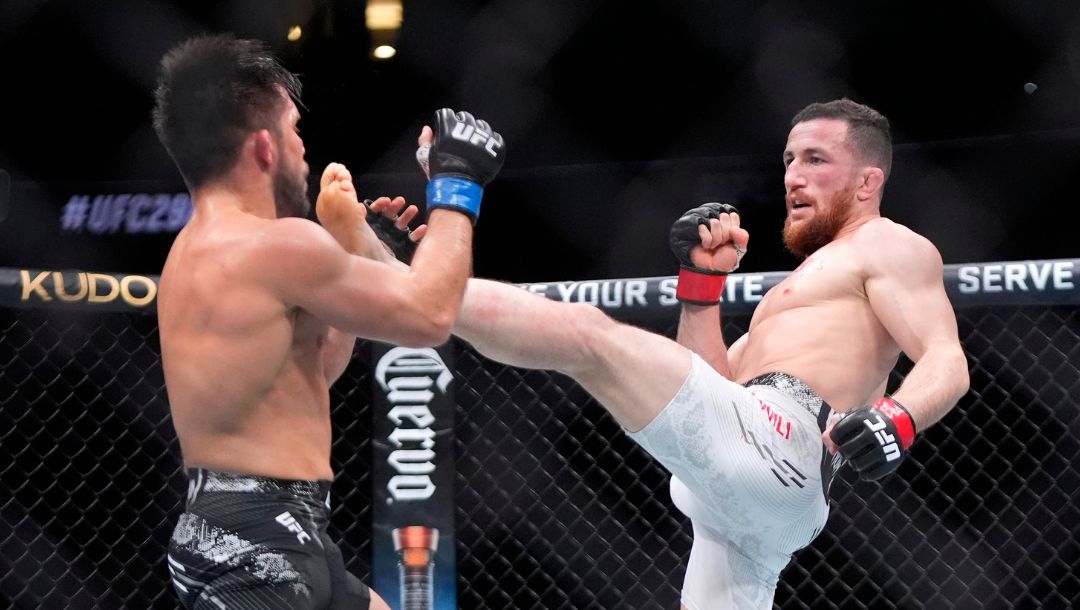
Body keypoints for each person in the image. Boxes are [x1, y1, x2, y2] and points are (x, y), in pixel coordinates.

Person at [450, 98, 969, 609]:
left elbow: (947, 358)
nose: (793, 177)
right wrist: (702, 287)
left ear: (867, 182)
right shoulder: (803, 288)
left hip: (783, 448)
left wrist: (897, 417)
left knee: (587, 334)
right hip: (754, 484)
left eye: (816, 159)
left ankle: (422, 288)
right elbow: (712, 389)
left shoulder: (889, 244)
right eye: (789, 160)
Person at [151, 33, 505, 609]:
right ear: (264, 148)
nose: (302, 148)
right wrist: (456, 185)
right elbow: (430, 316)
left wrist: (358, 249)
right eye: (294, 129)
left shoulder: (193, 252)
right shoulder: (277, 245)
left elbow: (312, 371)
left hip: (276, 528)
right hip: (256, 545)